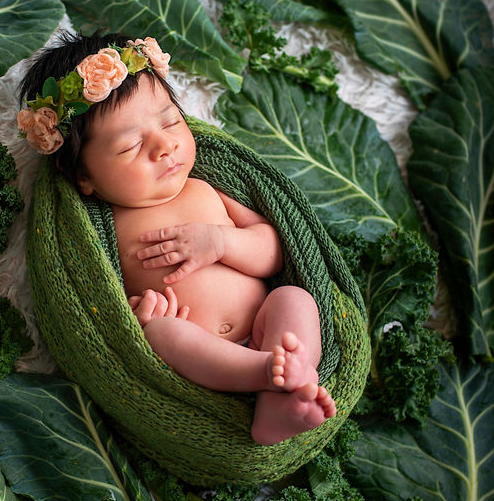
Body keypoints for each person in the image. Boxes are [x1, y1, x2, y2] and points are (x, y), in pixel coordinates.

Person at [18, 31, 336, 446]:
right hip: (199, 358)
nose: (165, 146)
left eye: (170, 121)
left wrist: (222, 242)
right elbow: (98, 305)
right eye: (132, 146)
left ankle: (283, 397)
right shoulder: (104, 230)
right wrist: (143, 316)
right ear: (85, 178)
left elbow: (274, 252)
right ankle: (267, 374)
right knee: (163, 335)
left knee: (295, 299)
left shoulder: (206, 189)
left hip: (265, 326)